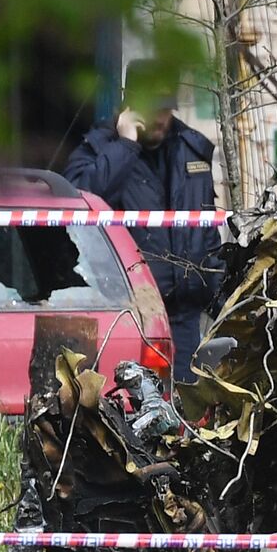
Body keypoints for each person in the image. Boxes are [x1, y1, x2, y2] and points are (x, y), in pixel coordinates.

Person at [64, 59, 221, 382]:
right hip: (128, 314)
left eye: (166, 108)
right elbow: (78, 203)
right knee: (135, 406)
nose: (161, 118)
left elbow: (206, 226)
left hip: (186, 311)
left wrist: (215, 289)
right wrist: (125, 146)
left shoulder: (190, 147)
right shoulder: (100, 149)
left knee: (186, 409)